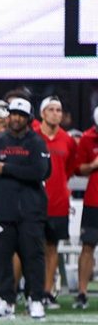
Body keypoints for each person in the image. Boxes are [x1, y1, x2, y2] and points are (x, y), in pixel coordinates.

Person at [0, 97, 51, 319]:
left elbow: (39, 172)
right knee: (1, 256)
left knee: (33, 256)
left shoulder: (37, 143)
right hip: (3, 210)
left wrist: (8, 168)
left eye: (20, 115)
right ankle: (6, 300)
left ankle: (36, 299)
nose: (15, 118)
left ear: (29, 119)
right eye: (13, 114)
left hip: (32, 211)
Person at [34, 97, 76, 308]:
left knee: (52, 248)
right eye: (51, 109)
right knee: (32, 248)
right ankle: (31, 290)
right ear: (42, 113)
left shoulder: (67, 139)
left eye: (59, 110)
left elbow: (68, 168)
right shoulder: (33, 136)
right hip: (34, 201)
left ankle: (46, 292)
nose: (55, 114)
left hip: (58, 202)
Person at [74, 106, 98, 309]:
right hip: (94, 201)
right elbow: (78, 169)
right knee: (88, 246)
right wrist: (92, 165)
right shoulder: (88, 138)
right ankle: (82, 292)